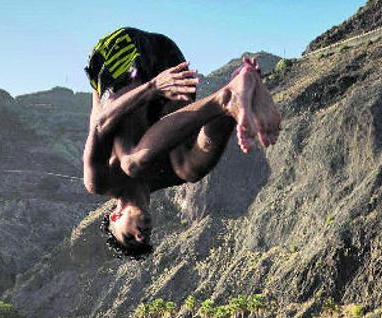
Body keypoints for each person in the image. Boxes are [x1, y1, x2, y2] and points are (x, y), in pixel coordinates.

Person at [83, 27, 281, 259]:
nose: (141, 235)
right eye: (145, 239)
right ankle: (232, 98)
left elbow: (101, 124)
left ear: (115, 217)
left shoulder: (101, 182)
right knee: (188, 168)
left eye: (129, 236)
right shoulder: (164, 176)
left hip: (120, 52)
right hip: (170, 60)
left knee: (131, 163)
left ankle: (226, 99)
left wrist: (153, 86)